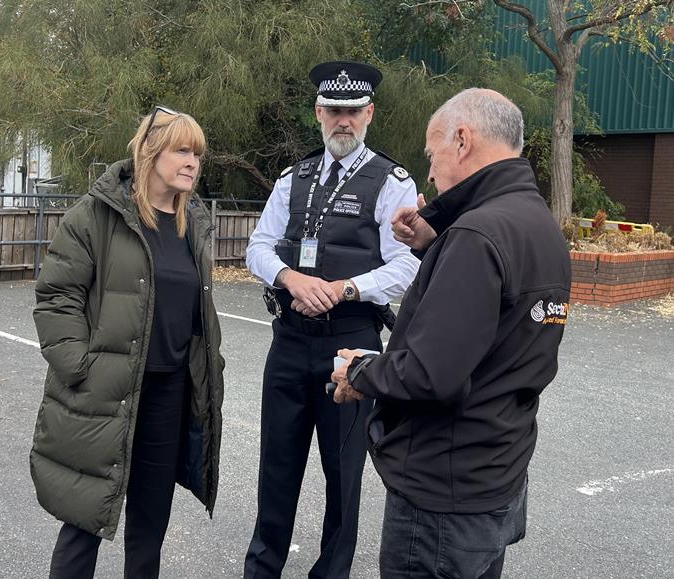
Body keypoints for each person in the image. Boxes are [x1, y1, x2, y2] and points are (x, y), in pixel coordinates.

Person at [331, 88, 571, 578]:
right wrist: (435, 238)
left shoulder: (477, 237)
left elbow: (429, 374)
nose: (430, 173)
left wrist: (361, 369)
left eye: (432, 153)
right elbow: (493, 336)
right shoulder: (538, 224)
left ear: (462, 140)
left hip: (444, 493)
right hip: (497, 473)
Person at [29, 107, 225, 578]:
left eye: (197, 153)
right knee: (86, 518)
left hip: (168, 396)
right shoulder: (96, 214)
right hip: (105, 390)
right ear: (149, 152)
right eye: (182, 150)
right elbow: (56, 297)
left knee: (150, 523)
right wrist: (79, 366)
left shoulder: (192, 224)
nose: (192, 162)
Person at [244, 60, 420, 579]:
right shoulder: (292, 178)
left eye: (353, 112)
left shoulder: (392, 182)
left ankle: (332, 572)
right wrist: (290, 279)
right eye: (333, 111)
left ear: (369, 114)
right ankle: (262, 567)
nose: (342, 121)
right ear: (318, 113)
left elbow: (408, 263)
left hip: (351, 345)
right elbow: (257, 247)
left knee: (343, 473)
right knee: (276, 465)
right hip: (290, 341)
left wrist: (344, 289)